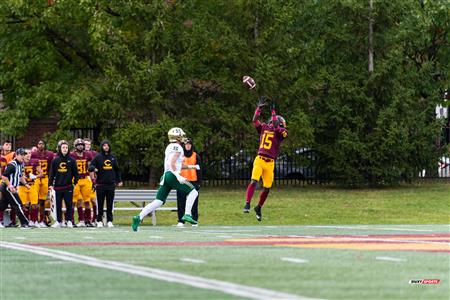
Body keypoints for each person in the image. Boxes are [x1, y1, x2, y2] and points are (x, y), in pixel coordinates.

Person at [131, 127, 199, 231]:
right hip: (172, 175)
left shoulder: (170, 146)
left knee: (158, 201)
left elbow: (177, 164)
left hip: (166, 176)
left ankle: (138, 217)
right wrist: (177, 175)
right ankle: (187, 214)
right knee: (193, 192)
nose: (183, 137)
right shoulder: (178, 147)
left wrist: (191, 167)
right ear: (178, 137)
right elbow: (172, 162)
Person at [243, 100, 288, 221]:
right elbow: (255, 120)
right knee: (254, 181)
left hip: (270, 163)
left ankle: (258, 207)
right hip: (260, 159)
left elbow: (275, 126)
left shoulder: (281, 132)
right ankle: (247, 203)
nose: (283, 125)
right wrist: (258, 109)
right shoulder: (264, 127)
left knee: (267, 188)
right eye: (282, 123)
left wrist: (273, 112)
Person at [88, 140, 122, 228]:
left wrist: (119, 180)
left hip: (111, 184)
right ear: (102, 147)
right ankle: (99, 220)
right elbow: (90, 167)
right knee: (100, 203)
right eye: (104, 145)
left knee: (110, 204)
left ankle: (110, 221)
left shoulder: (113, 157)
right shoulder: (98, 157)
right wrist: (94, 169)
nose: (106, 147)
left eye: (107, 145)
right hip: (100, 184)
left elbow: (117, 170)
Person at [48, 140, 79, 228]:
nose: (65, 149)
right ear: (60, 149)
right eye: (63, 148)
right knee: (58, 205)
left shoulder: (72, 160)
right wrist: (50, 184)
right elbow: (51, 174)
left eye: (66, 147)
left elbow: (76, 173)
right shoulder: (55, 160)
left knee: (69, 204)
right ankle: (58, 221)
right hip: (57, 187)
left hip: (68, 186)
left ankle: (69, 220)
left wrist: (74, 183)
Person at [0, 148, 31, 228]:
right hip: (8, 187)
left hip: (11, 187)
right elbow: (4, 176)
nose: (23, 156)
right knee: (18, 204)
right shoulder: (12, 164)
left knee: (3, 205)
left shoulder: (21, 164)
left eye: (24, 155)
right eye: (21, 155)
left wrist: (26, 184)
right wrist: (10, 186)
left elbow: (19, 176)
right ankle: (24, 223)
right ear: (16, 155)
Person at [176, 138, 201, 227]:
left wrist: (198, 183)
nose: (188, 146)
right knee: (181, 201)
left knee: (194, 202)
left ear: (191, 145)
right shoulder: (180, 156)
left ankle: (194, 220)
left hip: (193, 181)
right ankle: (181, 221)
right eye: (186, 144)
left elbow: (199, 170)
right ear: (184, 145)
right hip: (182, 181)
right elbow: (176, 168)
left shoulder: (196, 156)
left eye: (189, 144)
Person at [70, 138, 94, 227]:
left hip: (85, 179)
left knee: (87, 200)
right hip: (75, 179)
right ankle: (73, 220)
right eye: (78, 145)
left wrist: (93, 179)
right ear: (75, 146)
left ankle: (88, 220)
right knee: (74, 201)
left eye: (81, 145)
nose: (80, 146)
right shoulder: (72, 155)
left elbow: (90, 168)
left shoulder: (88, 154)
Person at [31, 140, 55, 227]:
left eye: (42, 144)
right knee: (34, 200)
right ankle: (33, 219)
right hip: (36, 179)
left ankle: (41, 220)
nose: (41, 145)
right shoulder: (33, 153)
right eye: (39, 144)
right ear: (37, 145)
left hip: (45, 178)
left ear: (45, 145)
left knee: (42, 200)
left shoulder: (50, 154)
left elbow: (52, 167)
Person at [18, 149, 43, 227]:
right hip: (22, 186)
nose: (28, 155)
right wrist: (23, 177)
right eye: (26, 153)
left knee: (34, 204)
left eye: (29, 153)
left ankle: (34, 221)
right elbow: (17, 174)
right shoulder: (19, 162)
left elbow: (41, 173)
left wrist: (35, 176)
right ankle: (25, 221)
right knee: (24, 205)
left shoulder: (35, 162)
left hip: (32, 186)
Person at [84, 138, 98, 225]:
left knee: (93, 200)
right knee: (85, 200)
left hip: (92, 178)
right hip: (83, 178)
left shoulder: (94, 154)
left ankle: (94, 218)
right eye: (85, 144)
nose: (87, 146)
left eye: (89, 144)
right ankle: (86, 219)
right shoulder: (79, 154)